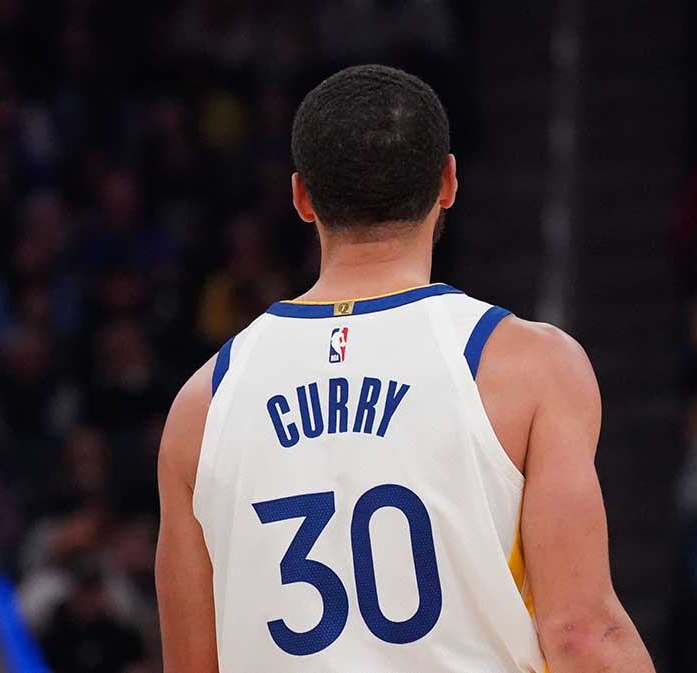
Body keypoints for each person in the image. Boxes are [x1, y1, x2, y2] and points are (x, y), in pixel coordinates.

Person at [155, 64, 655, 673]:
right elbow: (582, 636)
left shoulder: (203, 402)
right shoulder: (530, 366)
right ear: (447, 182)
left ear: (301, 198)